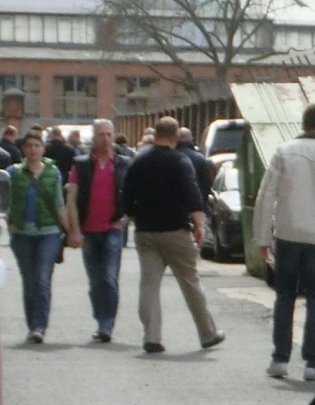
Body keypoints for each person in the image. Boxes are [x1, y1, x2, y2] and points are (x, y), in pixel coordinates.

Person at [251, 102, 315, 381]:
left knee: (285, 295)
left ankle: (280, 358)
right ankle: (313, 362)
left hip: (287, 234)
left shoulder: (284, 152)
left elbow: (265, 197)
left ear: (303, 123)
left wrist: (262, 236)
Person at [121, 116, 224, 354]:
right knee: (190, 284)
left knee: (149, 285)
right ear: (176, 136)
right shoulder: (180, 161)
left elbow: (126, 197)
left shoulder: (139, 161)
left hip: (146, 232)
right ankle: (207, 333)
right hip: (175, 230)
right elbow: (192, 194)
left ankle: (152, 336)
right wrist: (200, 224)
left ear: (155, 134)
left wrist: (136, 217)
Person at [65, 118, 131, 342]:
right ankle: (100, 316)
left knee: (109, 277)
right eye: (101, 135)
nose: (106, 139)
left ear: (114, 137)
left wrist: (125, 219)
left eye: (109, 135)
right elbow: (71, 199)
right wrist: (74, 230)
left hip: (113, 228)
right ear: (93, 138)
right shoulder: (81, 165)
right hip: (88, 231)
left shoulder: (123, 163)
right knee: (95, 281)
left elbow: (133, 195)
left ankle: (106, 324)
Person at [5, 130, 67, 343]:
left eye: (37, 145)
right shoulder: (13, 172)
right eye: (29, 145)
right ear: (24, 149)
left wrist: (69, 231)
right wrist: (9, 222)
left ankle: (39, 325)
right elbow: (5, 201)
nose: (33, 149)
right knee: (29, 281)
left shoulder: (53, 172)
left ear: (43, 148)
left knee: (42, 279)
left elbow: (59, 202)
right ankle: (32, 324)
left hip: (48, 232)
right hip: (22, 233)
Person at [176, 127, 213, 207]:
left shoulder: (170, 156)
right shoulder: (199, 158)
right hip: (196, 203)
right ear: (191, 139)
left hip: (175, 205)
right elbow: (206, 182)